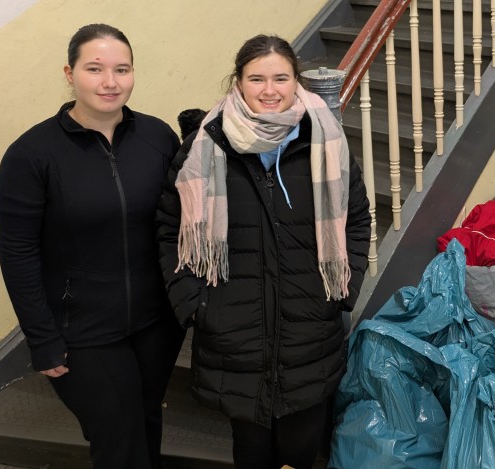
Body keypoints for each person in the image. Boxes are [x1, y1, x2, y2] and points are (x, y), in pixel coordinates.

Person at [156, 34, 372, 469]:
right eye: (257, 78)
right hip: (236, 334)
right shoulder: (204, 145)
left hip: (308, 329)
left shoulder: (325, 141)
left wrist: (340, 292)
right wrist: (196, 304)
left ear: (297, 81)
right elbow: (168, 227)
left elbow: (357, 219)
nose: (269, 89)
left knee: (301, 448)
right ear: (238, 81)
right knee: (251, 452)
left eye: (280, 78)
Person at [0, 24, 185, 468]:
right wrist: (41, 337)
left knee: (145, 423)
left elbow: (178, 224)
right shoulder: (31, 155)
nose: (110, 81)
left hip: (157, 322)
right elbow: (18, 254)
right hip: (82, 332)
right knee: (118, 439)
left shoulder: (157, 138)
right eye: (95, 69)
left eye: (122, 69)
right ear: (69, 73)